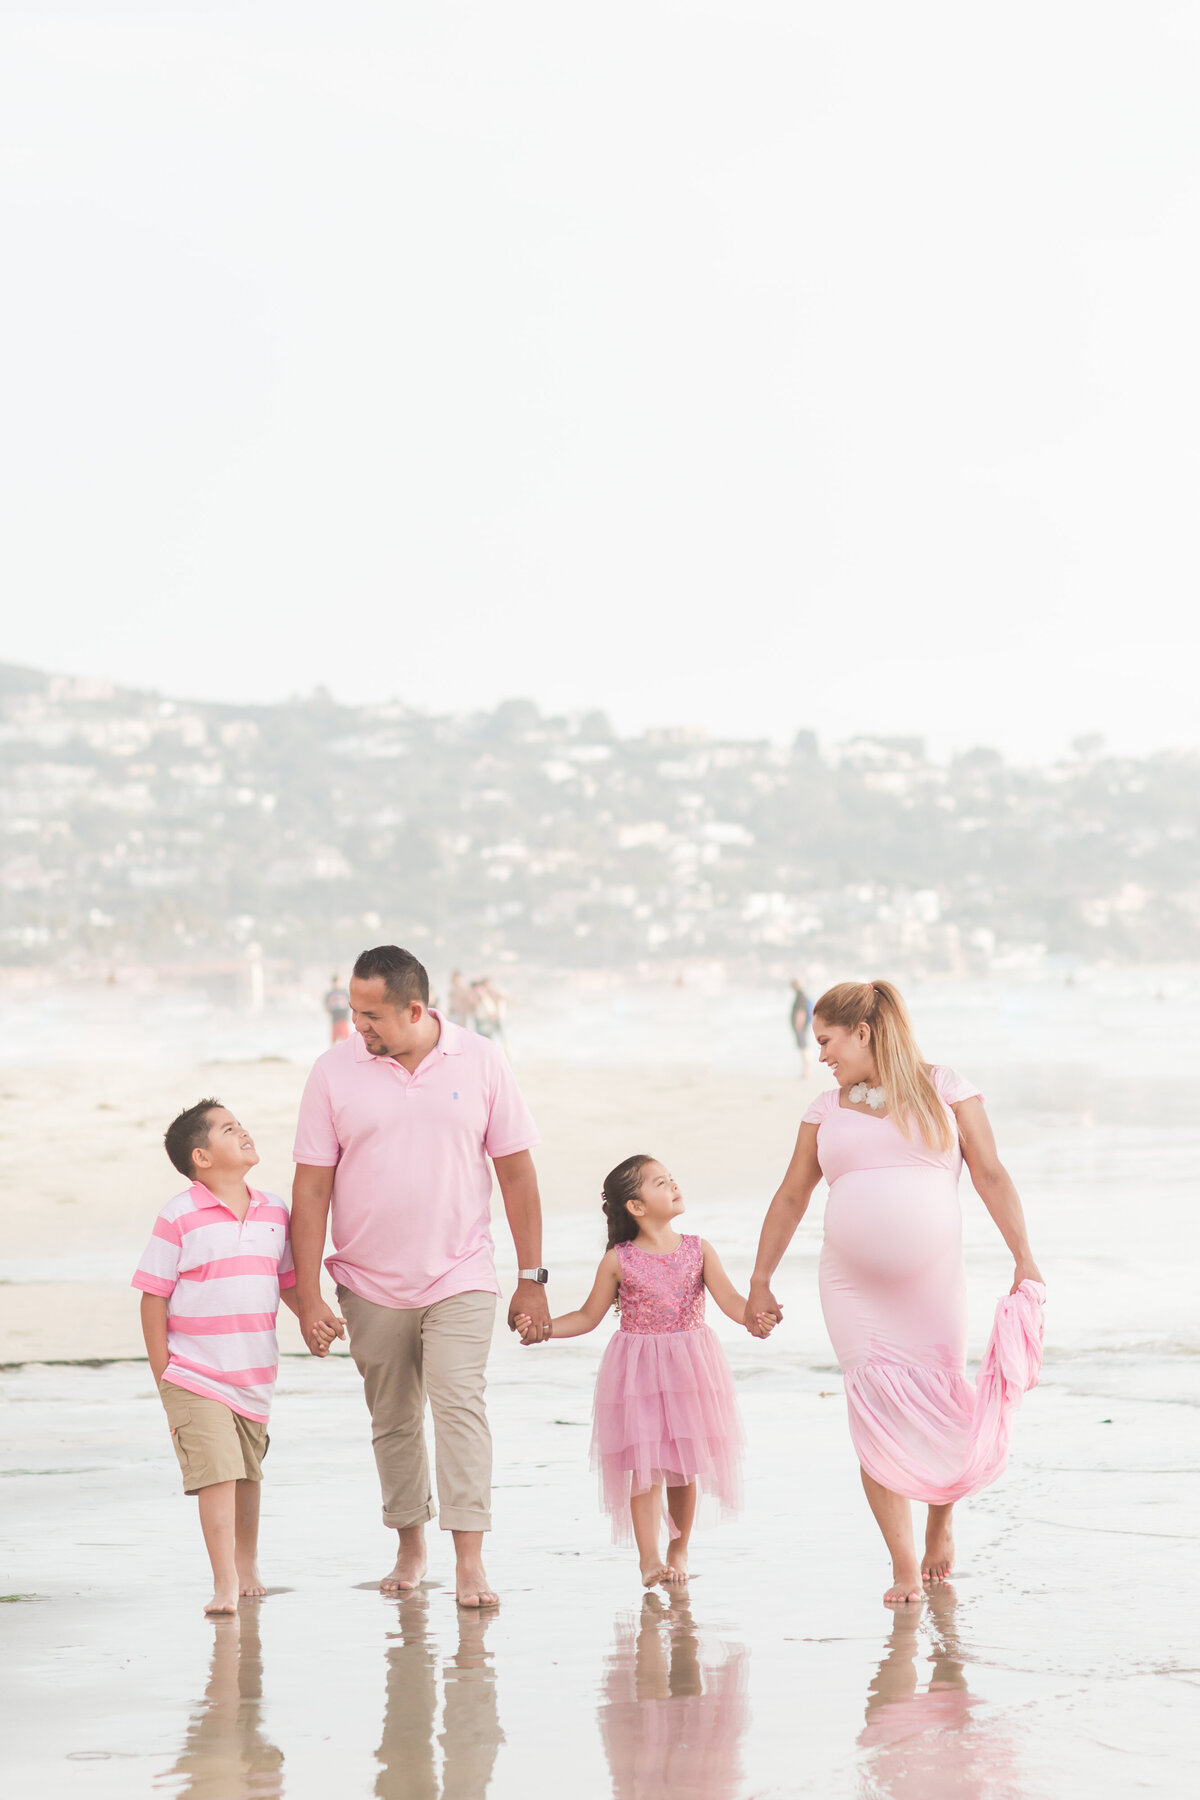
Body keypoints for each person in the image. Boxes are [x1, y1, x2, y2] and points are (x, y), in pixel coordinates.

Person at [746, 980, 1045, 1607]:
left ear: (865, 1031)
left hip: (931, 1283)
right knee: (874, 1415)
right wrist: (760, 1279)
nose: (821, 1053)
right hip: (850, 1288)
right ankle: (904, 1566)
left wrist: (1024, 1257)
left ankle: (940, 1518)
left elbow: (990, 1173)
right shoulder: (825, 1108)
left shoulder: (945, 1088)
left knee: (947, 1408)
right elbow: (792, 1194)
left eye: (826, 1039)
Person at [291, 944, 551, 1609]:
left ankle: (470, 1558)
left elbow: (516, 1174)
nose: (359, 1027)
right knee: (394, 1417)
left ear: (415, 1008)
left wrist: (532, 1276)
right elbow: (313, 1187)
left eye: (371, 1014)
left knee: (460, 1401)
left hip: (461, 1271)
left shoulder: (483, 1060)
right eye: (353, 1011)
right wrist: (310, 1295)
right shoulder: (331, 1072)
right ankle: (409, 1542)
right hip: (367, 1279)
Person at [517, 1155, 771, 1587]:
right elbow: (587, 1316)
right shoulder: (619, 1259)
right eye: (660, 1182)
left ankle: (679, 1547)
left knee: (684, 1466)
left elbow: (730, 1302)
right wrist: (544, 1330)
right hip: (637, 1374)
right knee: (644, 1465)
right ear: (636, 1206)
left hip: (691, 1370)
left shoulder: (698, 1248)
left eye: (672, 1178)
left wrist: (756, 1318)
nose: (674, 1185)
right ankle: (649, 1557)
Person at [132, 1100, 304, 1616]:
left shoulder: (275, 1209)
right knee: (218, 1474)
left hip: (254, 1373)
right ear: (202, 1157)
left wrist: (316, 1321)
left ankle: (247, 1565)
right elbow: (152, 1296)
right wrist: (165, 1376)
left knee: (248, 1474)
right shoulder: (179, 1215)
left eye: (242, 1124)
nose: (245, 1131)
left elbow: (289, 1283)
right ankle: (224, 1581)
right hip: (193, 1372)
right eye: (230, 1129)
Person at [789, 979, 814, 1078]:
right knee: (803, 1048)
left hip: (801, 1027)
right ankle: (806, 1072)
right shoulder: (801, 995)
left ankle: (807, 1072)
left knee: (804, 1048)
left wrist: (798, 1026)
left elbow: (801, 1012)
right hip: (802, 1026)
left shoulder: (801, 996)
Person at [323, 975, 351, 1044]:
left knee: (346, 1039)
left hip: (343, 1018)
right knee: (334, 1041)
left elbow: (350, 1003)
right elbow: (326, 1004)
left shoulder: (345, 992)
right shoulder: (330, 994)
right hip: (334, 1019)